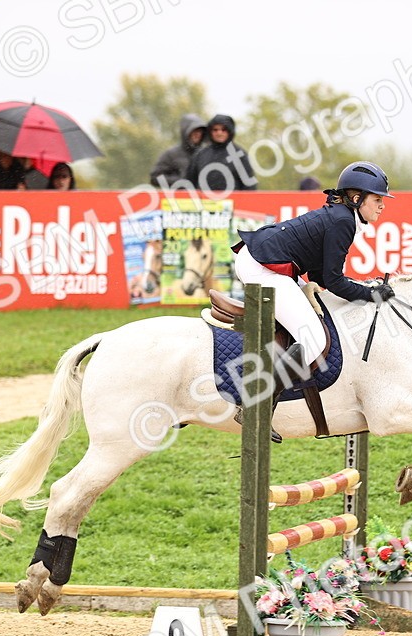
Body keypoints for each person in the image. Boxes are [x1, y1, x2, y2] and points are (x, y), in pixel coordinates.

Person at [233, 161, 394, 442]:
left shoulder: (344, 216)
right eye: (377, 199)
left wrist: (363, 289)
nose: (382, 206)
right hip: (262, 266)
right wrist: (370, 294)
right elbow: (332, 280)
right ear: (357, 199)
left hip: (263, 260)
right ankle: (254, 407)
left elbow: (320, 274)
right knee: (313, 340)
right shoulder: (343, 221)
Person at [186, 114, 256, 192]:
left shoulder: (239, 155)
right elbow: (190, 183)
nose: (219, 133)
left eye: (223, 130)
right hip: (205, 202)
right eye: (215, 130)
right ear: (210, 131)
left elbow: (249, 187)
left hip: (233, 202)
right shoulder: (200, 155)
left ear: (230, 131)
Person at [149, 114, 206, 188]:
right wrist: (180, 181)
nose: (197, 134)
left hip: (203, 198)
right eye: (194, 131)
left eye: (200, 131)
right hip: (178, 198)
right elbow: (155, 178)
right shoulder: (171, 155)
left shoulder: (206, 154)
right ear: (186, 132)